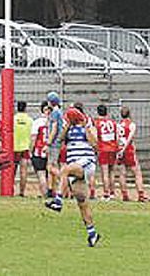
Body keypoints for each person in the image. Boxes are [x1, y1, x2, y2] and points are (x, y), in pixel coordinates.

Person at [44, 107, 102, 247]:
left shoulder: (89, 125)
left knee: (64, 170)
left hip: (85, 162)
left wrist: (85, 127)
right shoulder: (68, 127)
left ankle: (58, 201)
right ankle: (92, 233)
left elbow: (95, 144)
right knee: (82, 202)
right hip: (74, 162)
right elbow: (61, 139)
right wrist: (67, 125)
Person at [115, 105, 145, 202]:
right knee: (137, 172)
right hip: (128, 150)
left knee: (122, 173)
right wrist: (124, 149)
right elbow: (130, 138)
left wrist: (119, 150)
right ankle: (140, 194)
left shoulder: (118, 125)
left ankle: (125, 195)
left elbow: (117, 138)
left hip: (120, 149)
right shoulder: (132, 125)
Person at [93, 105, 118, 201]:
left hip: (103, 149)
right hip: (113, 148)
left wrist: (96, 148)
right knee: (111, 171)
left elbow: (95, 137)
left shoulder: (97, 123)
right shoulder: (112, 122)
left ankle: (106, 193)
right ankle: (112, 193)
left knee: (104, 172)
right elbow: (117, 136)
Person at [30, 102, 51, 198]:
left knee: (41, 173)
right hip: (51, 151)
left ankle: (45, 193)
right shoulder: (54, 122)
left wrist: (31, 150)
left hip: (39, 151)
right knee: (50, 173)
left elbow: (33, 138)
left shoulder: (37, 122)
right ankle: (52, 192)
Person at [12, 101, 33, 197]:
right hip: (25, 147)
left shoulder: (13, 119)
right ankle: (22, 192)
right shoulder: (29, 120)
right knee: (23, 171)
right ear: (25, 108)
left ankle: (10, 189)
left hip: (14, 147)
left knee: (12, 170)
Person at [45, 92, 65, 192]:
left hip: (54, 143)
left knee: (50, 166)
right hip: (58, 142)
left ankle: (65, 180)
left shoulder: (55, 113)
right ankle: (53, 189)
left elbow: (54, 128)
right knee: (54, 165)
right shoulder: (60, 112)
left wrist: (48, 143)